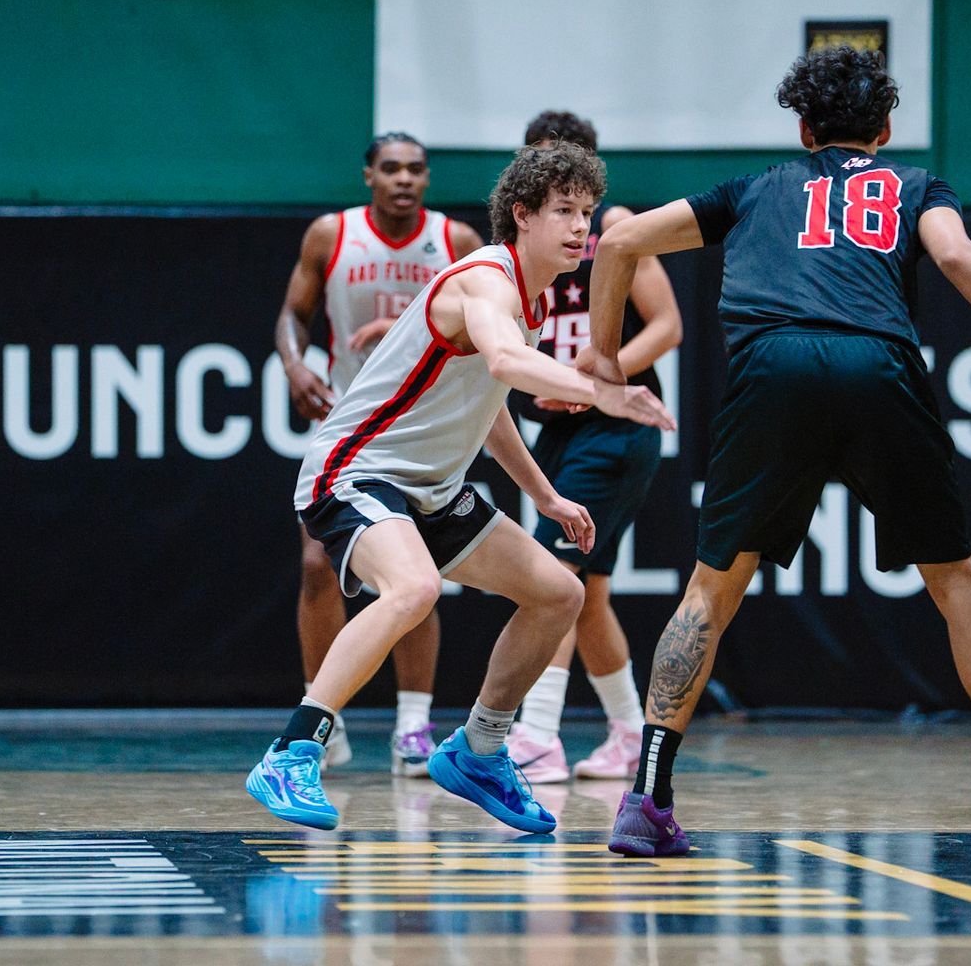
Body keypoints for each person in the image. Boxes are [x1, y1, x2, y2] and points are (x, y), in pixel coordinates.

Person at [580, 46, 971, 856]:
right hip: (877, 364)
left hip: (771, 368)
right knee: (959, 585)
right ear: (887, 127)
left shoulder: (754, 189)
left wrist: (600, 362)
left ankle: (645, 800)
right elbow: (962, 259)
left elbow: (618, 246)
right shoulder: (914, 186)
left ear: (802, 128)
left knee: (711, 591)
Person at [246, 143, 673, 832]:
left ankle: (479, 748)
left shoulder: (527, 302)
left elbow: (491, 401)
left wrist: (545, 497)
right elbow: (506, 361)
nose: (579, 228)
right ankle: (292, 751)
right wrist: (608, 392)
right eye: (563, 211)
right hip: (355, 469)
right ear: (522, 215)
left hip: (432, 488)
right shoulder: (485, 281)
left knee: (558, 592)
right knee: (412, 589)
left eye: (587, 213)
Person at [274, 132, 481, 776]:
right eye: (390, 168)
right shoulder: (330, 235)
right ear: (368, 175)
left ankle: (415, 724)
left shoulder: (458, 243)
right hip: (353, 423)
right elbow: (292, 315)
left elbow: (482, 327)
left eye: (416, 170)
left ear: (426, 179)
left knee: (418, 576)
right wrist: (293, 364)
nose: (403, 179)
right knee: (315, 564)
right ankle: (323, 720)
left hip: (427, 427)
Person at [504, 111, 682, 783]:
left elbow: (667, 326)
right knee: (591, 591)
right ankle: (632, 737)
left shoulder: (613, 231)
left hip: (615, 427)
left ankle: (539, 736)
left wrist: (598, 375)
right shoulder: (523, 246)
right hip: (564, 425)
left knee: (556, 582)